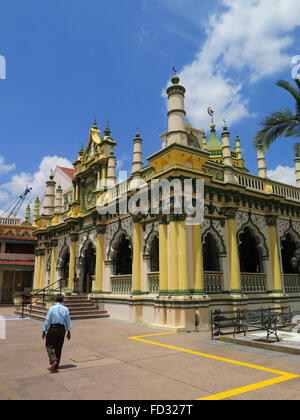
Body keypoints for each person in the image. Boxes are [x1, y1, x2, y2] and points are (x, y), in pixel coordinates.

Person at [42, 294, 72, 373]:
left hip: (53, 328)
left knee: (49, 345)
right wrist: (69, 331)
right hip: (62, 329)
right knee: (59, 346)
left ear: (55, 300)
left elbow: (48, 320)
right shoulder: (65, 309)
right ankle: (56, 365)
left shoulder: (52, 309)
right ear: (62, 300)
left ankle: (53, 361)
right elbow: (68, 321)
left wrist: (44, 330)